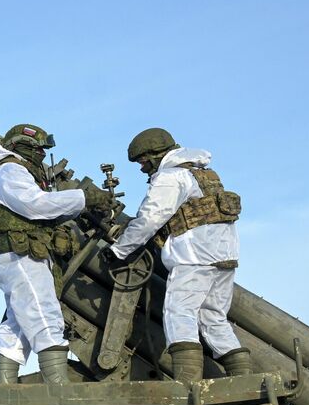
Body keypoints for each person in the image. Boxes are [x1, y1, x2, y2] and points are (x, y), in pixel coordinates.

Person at [104, 128, 251, 383]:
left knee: (178, 313)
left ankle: (187, 384)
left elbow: (150, 218)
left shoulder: (171, 177)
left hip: (194, 256)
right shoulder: (203, 173)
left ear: (153, 156)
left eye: (142, 162)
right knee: (213, 316)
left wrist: (119, 250)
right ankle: (244, 378)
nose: (142, 169)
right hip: (225, 256)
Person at [0, 123, 110, 385]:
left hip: (24, 254)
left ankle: (5, 382)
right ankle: (58, 386)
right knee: (44, 313)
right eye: (39, 148)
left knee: (18, 319)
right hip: (22, 254)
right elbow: (36, 205)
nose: (42, 153)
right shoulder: (11, 171)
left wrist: (78, 208)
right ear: (23, 147)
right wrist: (83, 198)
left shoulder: (15, 171)